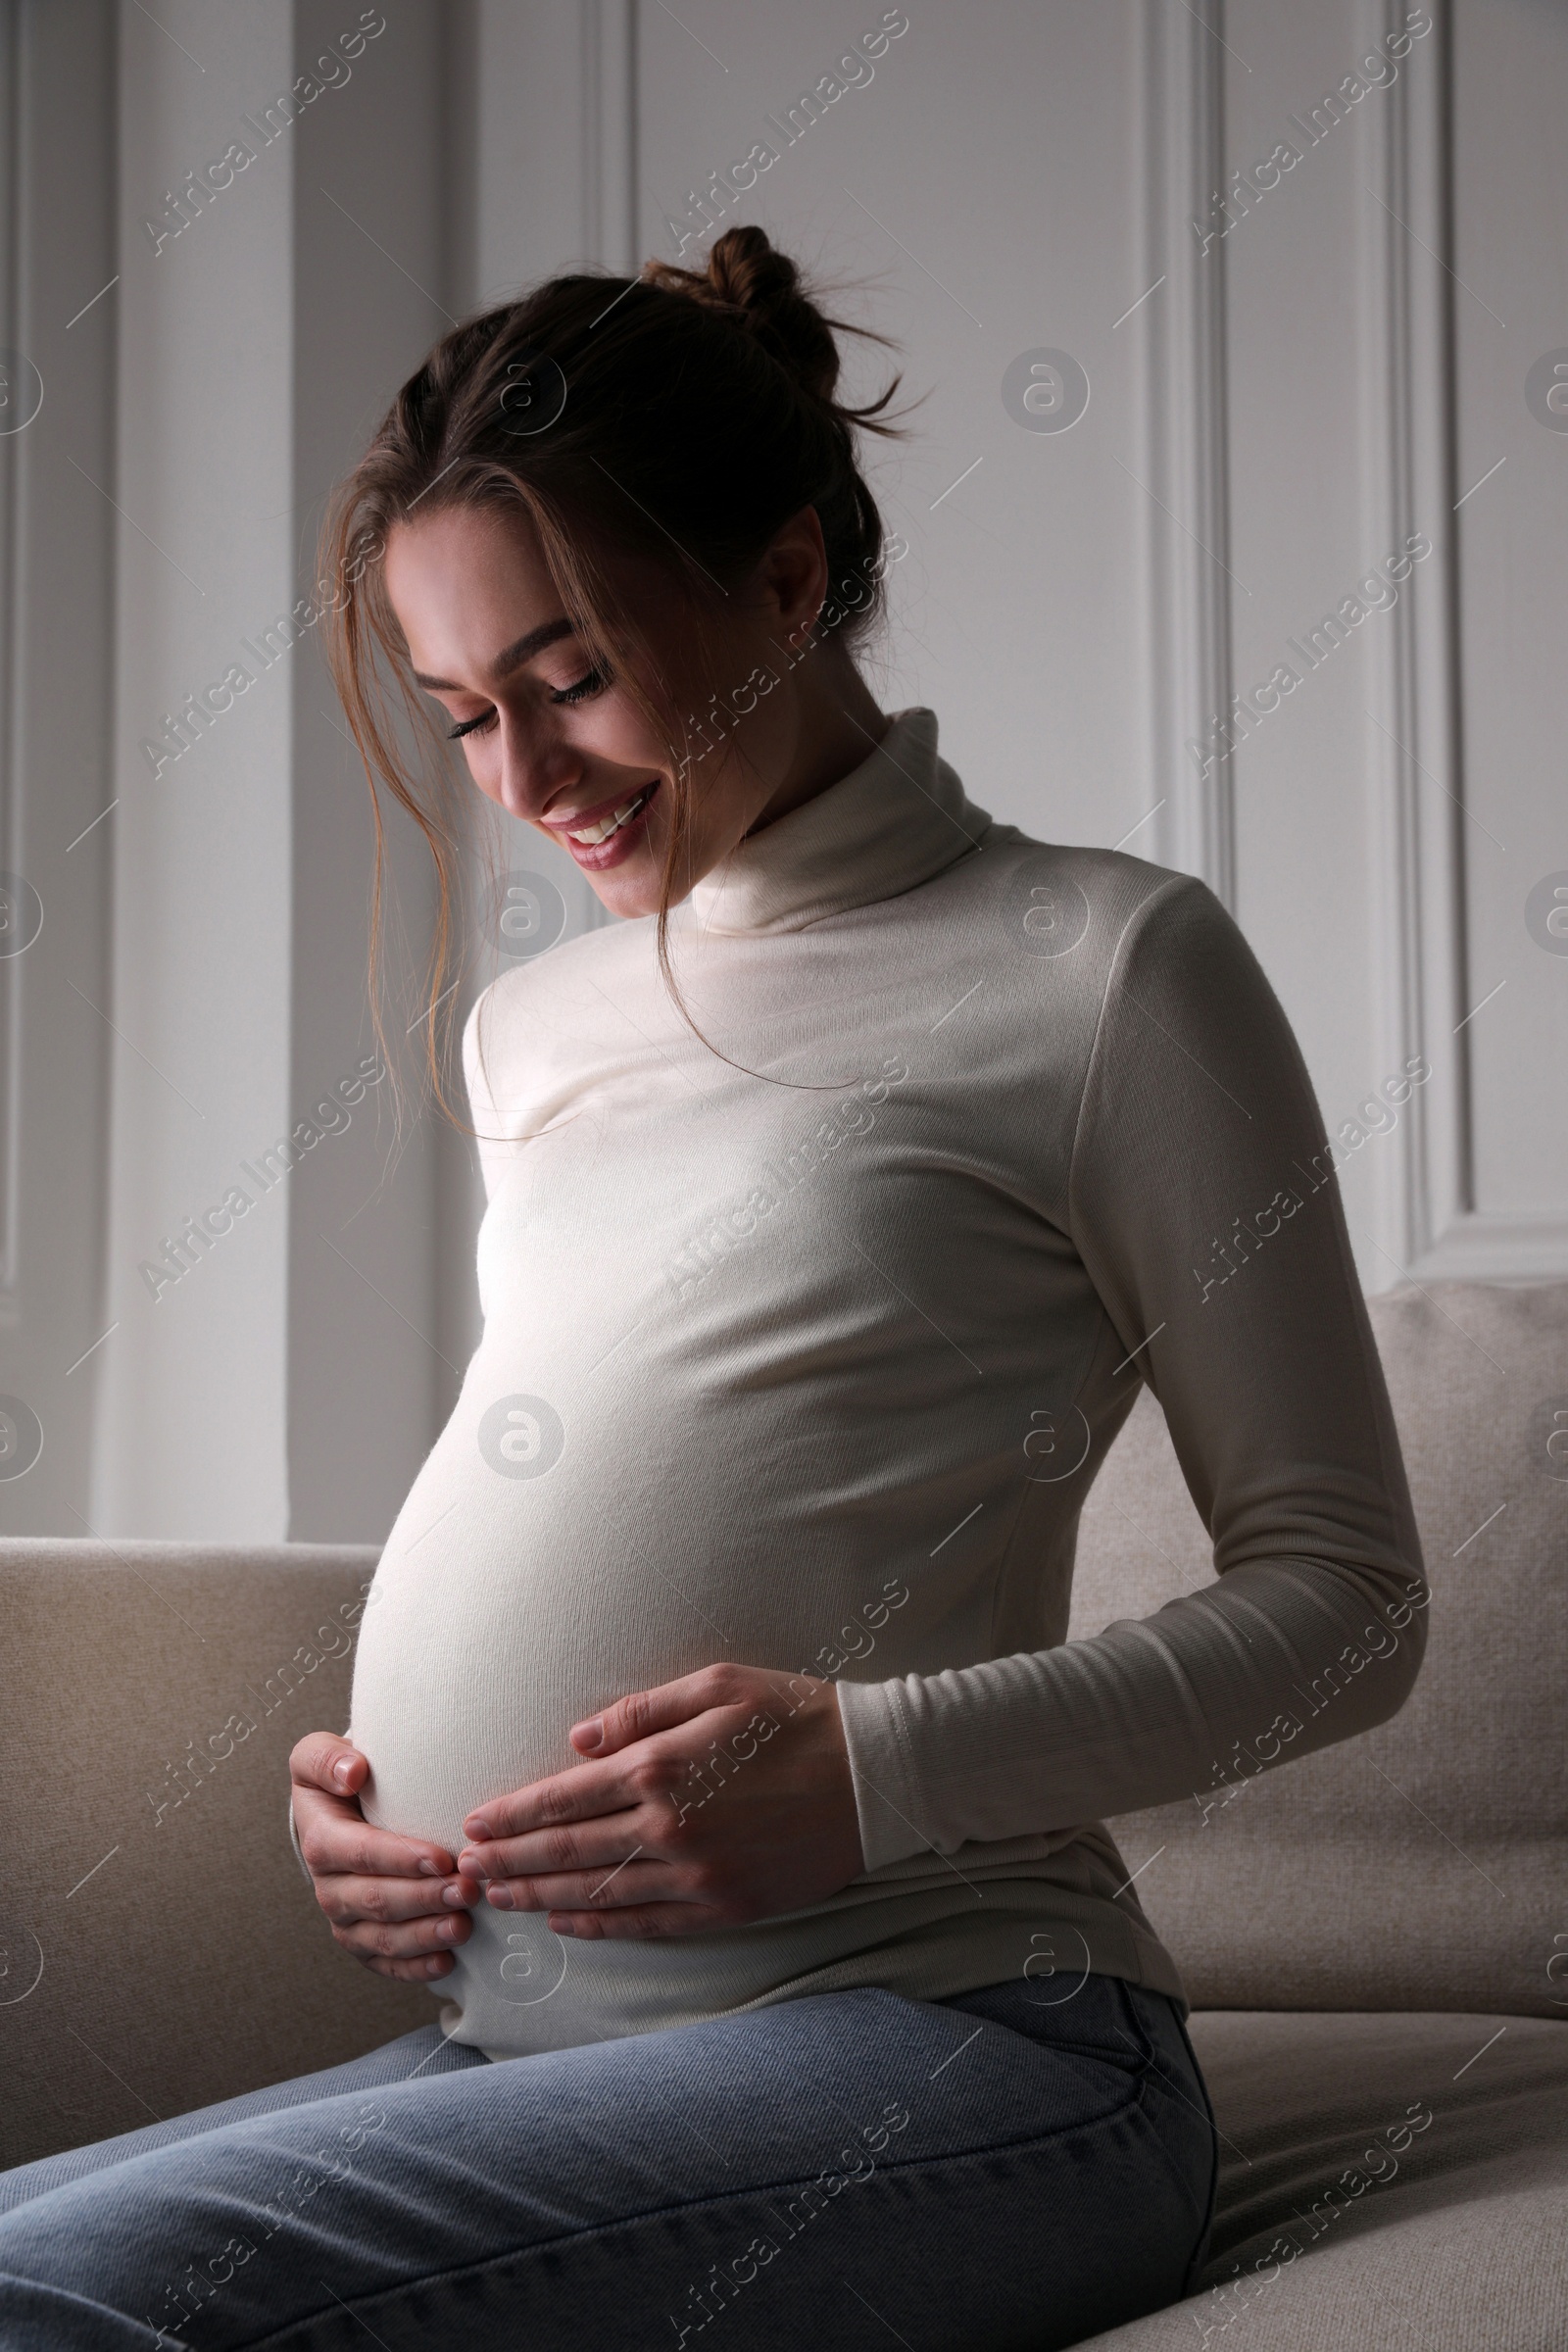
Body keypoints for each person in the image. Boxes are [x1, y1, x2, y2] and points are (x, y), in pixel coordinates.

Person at [0, 224, 1427, 2350]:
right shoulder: (532, 1034)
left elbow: (1346, 1606)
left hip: (962, 2048)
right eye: (463, 713)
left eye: (568, 676)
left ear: (782, 580)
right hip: (533, 2049)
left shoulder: (1103, 968)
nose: (522, 782)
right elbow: (613, 1471)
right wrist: (390, 1801)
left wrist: (868, 1765)